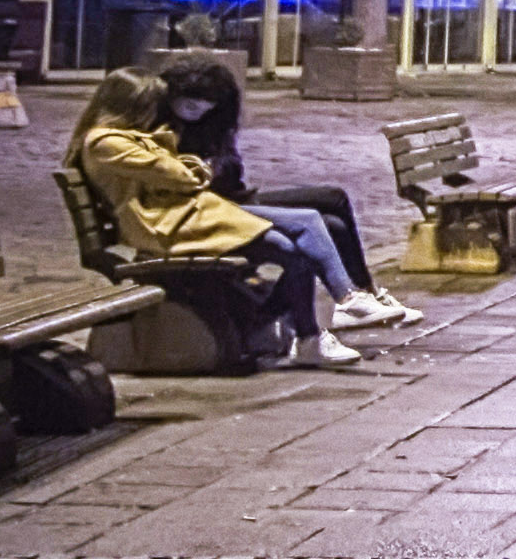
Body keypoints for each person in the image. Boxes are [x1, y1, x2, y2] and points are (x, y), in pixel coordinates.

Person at [66, 70, 355, 367]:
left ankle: (290, 329)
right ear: (127, 107)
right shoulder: (106, 143)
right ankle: (299, 327)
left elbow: (178, 168)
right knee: (286, 246)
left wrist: (186, 167)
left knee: (290, 243)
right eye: (148, 106)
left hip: (181, 219)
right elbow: (179, 174)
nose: (154, 113)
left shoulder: (127, 139)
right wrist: (191, 168)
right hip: (162, 229)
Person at [155, 52, 419, 332]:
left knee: (334, 205)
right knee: (327, 221)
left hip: (236, 198)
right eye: (188, 105)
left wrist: (217, 165)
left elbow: (232, 170)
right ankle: (357, 298)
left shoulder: (214, 125)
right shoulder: (166, 128)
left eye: (201, 106)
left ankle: (363, 295)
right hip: (220, 207)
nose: (193, 111)